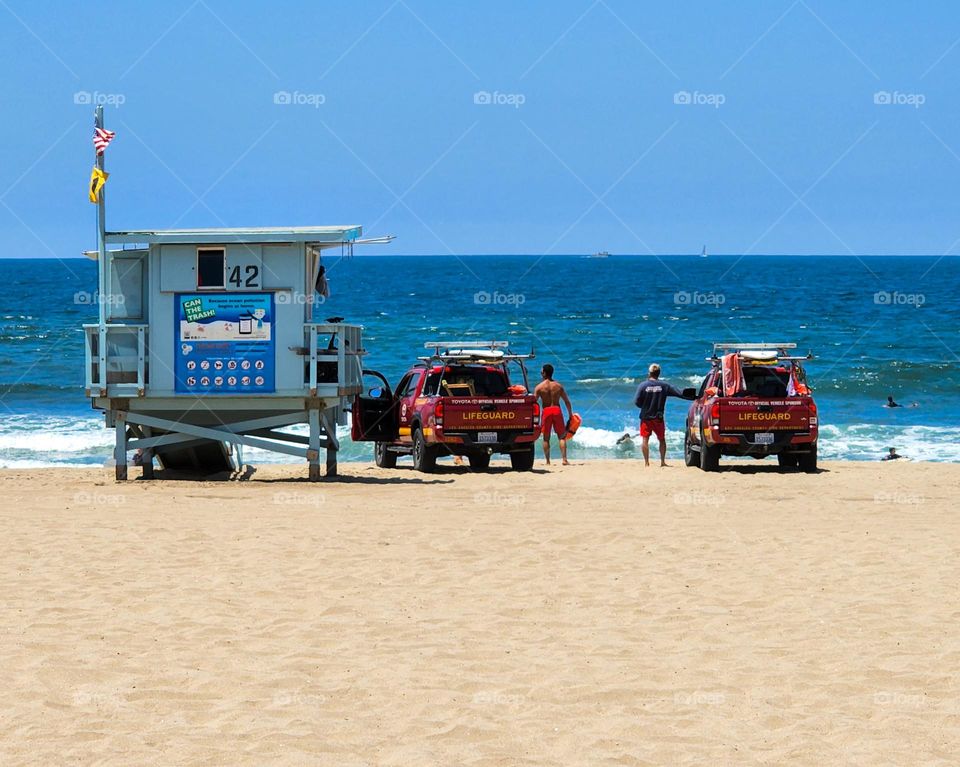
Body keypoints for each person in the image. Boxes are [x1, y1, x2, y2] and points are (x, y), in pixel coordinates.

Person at [633, 363, 687, 467]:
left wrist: (644, 407)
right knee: (661, 439)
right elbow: (678, 393)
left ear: (649, 373)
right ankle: (662, 462)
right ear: (659, 373)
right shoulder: (664, 386)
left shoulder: (643, 385)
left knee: (645, 439)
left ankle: (646, 463)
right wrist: (693, 396)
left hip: (646, 417)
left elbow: (636, 402)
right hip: (658, 417)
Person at [534, 364, 572, 466]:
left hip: (546, 411)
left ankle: (547, 461)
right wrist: (570, 415)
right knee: (562, 437)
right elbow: (567, 402)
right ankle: (564, 459)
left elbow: (533, 403)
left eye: (541, 372)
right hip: (556, 410)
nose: (541, 373)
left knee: (546, 438)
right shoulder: (558, 386)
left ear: (545, 373)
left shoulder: (539, 387)